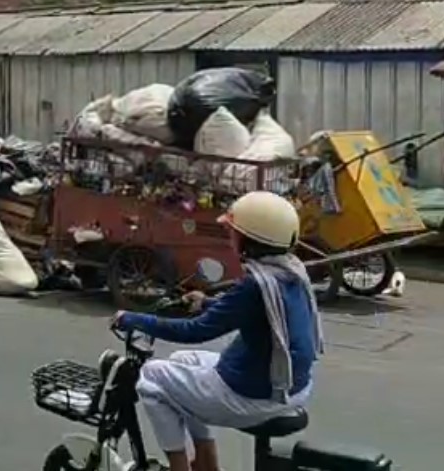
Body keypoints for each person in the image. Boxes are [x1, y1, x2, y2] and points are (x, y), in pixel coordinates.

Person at [113, 191, 324, 471]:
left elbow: (195, 331)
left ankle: (179, 467)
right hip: (289, 385)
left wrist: (133, 319)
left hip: (257, 396)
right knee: (180, 360)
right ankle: (206, 461)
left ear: (249, 240)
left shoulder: (255, 285)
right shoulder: (290, 273)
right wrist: (207, 303)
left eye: (234, 233)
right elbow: (251, 313)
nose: (230, 237)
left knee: (151, 377)